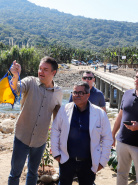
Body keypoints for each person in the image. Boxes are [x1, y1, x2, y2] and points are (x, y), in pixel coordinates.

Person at [8, 56, 63, 185]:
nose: (40, 72)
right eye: (40, 68)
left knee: (33, 173)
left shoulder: (58, 92)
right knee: (15, 173)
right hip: (22, 137)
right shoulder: (30, 82)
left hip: (40, 140)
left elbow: (57, 117)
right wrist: (15, 76)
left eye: (45, 69)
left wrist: (57, 141)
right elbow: (15, 90)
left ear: (53, 73)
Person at [51, 82, 113, 185]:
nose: (76, 95)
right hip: (66, 160)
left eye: (80, 93)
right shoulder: (64, 109)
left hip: (88, 162)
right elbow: (55, 130)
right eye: (75, 92)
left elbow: (107, 138)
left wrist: (102, 162)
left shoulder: (99, 113)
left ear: (88, 95)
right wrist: (56, 153)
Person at [112, 72, 138, 185]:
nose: (137, 79)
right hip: (122, 141)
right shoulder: (127, 93)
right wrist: (113, 134)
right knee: (121, 173)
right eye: (137, 76)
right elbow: (120, 115)